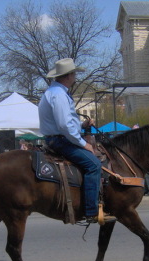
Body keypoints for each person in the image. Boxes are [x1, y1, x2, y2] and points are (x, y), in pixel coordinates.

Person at [39, 58, 115, 224]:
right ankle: (91, 211)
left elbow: (64, 124)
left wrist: (82, 125)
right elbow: (64, 126)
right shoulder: (59, 95)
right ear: (67, 76)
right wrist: (84, 144)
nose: (75, 77)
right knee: (94, 165)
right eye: (74, 74)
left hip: (57, 138)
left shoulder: (54, 92)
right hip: (60, 141)